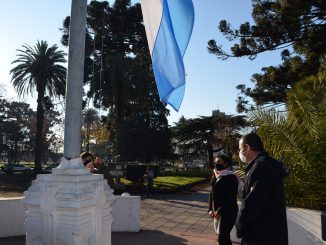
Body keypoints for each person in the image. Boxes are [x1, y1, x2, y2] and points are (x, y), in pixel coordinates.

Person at [236, 132, 288, 245]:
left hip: (260, 236)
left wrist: (239, 226)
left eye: (240, 149)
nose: (239, 153)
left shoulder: (260, 168)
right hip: (272, 234)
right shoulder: (268, 165)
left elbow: (251, 204)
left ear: (247, 148)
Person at [208, 154, 239, 245]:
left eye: (219, 162)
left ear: (225, 164)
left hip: (229, 211)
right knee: (225, 237)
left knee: (222, 238)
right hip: (218, 212)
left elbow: (231, 198)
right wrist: (210, 209)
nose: (216, 164)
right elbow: (211, 193)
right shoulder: (215, 174)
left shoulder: (231, 177)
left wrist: (219, 211)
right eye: (215, 162)